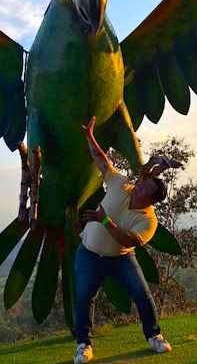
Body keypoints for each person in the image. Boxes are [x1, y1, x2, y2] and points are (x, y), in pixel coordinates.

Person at [73, 115, 181, 364]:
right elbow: (103, 163)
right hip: (89, 253)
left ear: (152, 199)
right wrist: (90, 136)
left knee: (142, 294)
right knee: (84, 297)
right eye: (143, 183)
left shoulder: (148, 220)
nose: (139, 186)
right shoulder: (122, 185)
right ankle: (83, 345)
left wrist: (103, 220)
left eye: (145, 189)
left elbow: (129, 241)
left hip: (122, 258)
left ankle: (154, 337)